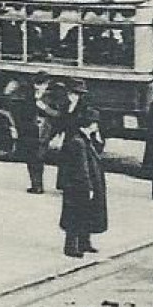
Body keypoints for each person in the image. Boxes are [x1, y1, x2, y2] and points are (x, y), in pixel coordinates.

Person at [56, 93, 108, 258]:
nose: (97, 127)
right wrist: (89, 187)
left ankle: (84, 243)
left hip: (83, 184)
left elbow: (98, 151)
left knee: (85, 214)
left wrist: (97, 137)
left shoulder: (85, 139)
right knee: (75, 215)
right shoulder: (78, 142)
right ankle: (71, 248)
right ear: (89, 124)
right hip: (78, 186)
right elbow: (81, 168)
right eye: (95, 124)